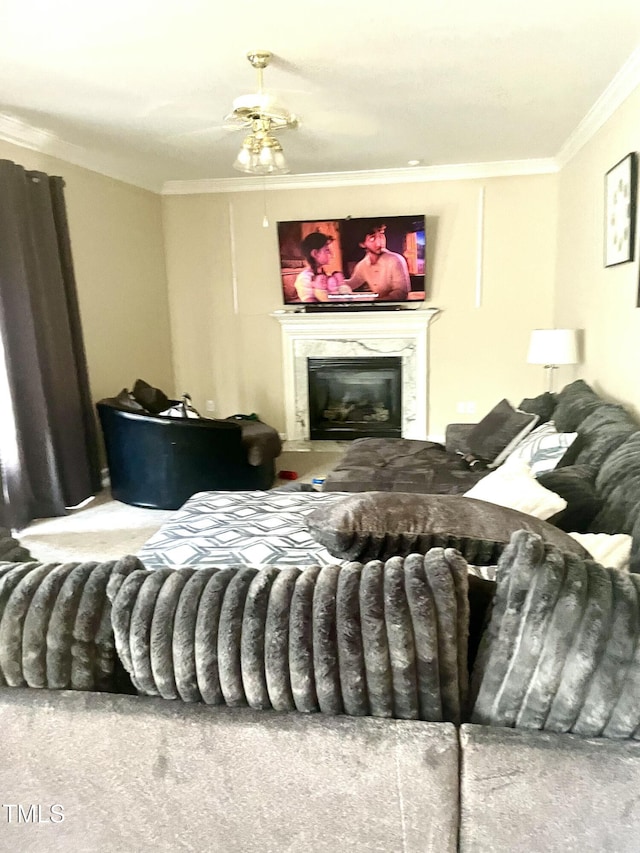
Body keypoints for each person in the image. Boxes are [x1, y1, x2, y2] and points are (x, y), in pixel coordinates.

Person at [342, 222, 410, 301]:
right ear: (362, 244)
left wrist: (376, 302)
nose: (379, 243)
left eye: (381, 236)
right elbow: (353, 283)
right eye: (372, 238)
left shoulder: (395, 260)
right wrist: (335, 282)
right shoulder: (363, 265)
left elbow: (401, 293)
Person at [294, 232, 352, 303]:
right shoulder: (304, 278)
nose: (331, 254)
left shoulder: (326, 274)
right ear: (315, 253)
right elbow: (311, 306)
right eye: (327, 250)